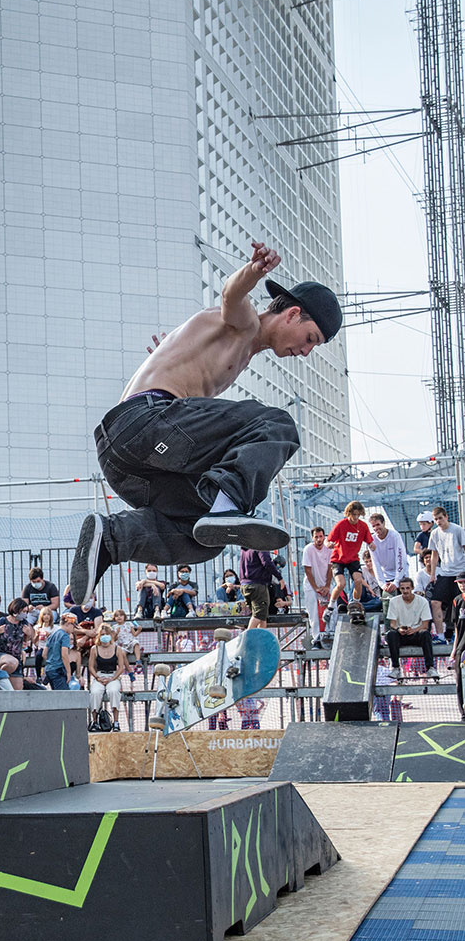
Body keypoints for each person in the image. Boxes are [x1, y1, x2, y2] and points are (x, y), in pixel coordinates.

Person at [69, 241, 342, 604]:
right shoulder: (244, 325)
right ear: (293, 314)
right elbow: (232, 295)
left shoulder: (231, 347)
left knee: (203, 536)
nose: (305, 352)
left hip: (130, 463)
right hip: (144, 424)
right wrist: (254, 270)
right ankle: (229, 505)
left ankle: (111, 538)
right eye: (310, 339)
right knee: (277, 425)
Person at [322, 502, 375, 626]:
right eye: (353, 515)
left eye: (358, 515)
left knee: (358, 580)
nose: (355, 518)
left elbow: (369, 540)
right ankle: (330, 607)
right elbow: (327, 540)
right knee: (341, 584)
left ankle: (355, 604)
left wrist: (372, 545)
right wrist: (328, 544)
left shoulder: (363, 526)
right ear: (348, 514)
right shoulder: (341, 524)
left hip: (353, 559)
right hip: (338, 559)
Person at [385, 578, 438, 680]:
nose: (405, 591)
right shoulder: (394, 601)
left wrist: (414, 630)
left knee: (425, 634)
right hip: (401, 634)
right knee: (391, 634)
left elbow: (425, 625)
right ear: (399, 589)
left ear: (412, 588)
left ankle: (430, 668)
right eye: (403, 588)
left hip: (416, 633)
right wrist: (399, 629)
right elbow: (392, 624)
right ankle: (395, 668)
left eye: (407, 588)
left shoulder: (422, 601)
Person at [428, 506, 465, 641]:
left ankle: (458, 634)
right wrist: (432, 574)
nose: (438, 521)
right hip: (445, 573)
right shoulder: (434, 533)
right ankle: (440, 635)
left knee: (459, 604)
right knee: (435, 602)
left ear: (446, 517)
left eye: (440, 518)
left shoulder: (457, 530)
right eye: (436, 519)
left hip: (460, 571)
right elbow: (434, 555)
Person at [368, 513, 408, 618]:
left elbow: (401, 559)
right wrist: (382, 584)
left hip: (401, 576)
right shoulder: (372, 541)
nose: (376, 528)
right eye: (373, 526)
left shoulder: (395, 536)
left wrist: (397, 581)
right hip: (386, 579)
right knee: (387, 606)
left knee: (403, 607)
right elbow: (375, 564)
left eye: (378, 524)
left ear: (383, 523)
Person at [88, 625, 125, 731]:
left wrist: (112, 678)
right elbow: (91, 666)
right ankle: (94, 721)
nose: (104, 636)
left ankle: (116, 722)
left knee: (114, 691)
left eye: (107, 634)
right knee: (95, 692)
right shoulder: (94, 649)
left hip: (113, 676)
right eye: (102, 634)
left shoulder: (117, 649)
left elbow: (121, 667)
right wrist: (97, 677)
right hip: (99, 675)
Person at [301, 527, 332, 647]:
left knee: (331, 608)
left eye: (321, 536)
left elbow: (330, 568)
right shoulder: (308, 549)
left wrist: (327, 586)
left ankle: (330, 634)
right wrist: (316, 588)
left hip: (325, 582)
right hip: (311, 584)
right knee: (313, 611)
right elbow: (307, 570)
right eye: (316, 537)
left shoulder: (328, 549)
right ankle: (316, 638)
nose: (319, 539)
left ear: (324, 537)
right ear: (312, 538)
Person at [238, 547, 284, 628]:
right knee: (258, 615)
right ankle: (247, 636)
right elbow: (266, 562)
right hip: (258, 584)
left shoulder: (245, 547)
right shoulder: (260, 545)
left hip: (245, 584)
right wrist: (279, 577)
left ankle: (260, 636)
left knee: (263, 616)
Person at [0, 599, 35, 689]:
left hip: (16, 656)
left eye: (26, 612)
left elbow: (31, 638)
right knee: (11, 662)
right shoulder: (3, 621)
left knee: (17, 689)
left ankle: (2, 677)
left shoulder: (24, 623)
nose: (25, 614)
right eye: (23, 611)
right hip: (2, 654)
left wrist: (29, 634)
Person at [44, 612, 77, 690]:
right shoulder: (65, 636)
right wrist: (68, 672)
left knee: (56, 694)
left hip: (49, 669)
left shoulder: (52, 634)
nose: (73, 629)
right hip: (58, 670)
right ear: (68, 624)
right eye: (73, 626)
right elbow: (64, 655)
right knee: (64, 695)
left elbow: (44, 654)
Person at [449, 574, 465, 720]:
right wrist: (454, 650)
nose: (462, 585)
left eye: (464, 582)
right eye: (460, 583)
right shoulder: (457, 601)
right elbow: (456, 627)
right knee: (460, 681)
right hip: (461, 646)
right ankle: (463, 713)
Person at [111, 608, 143, 675]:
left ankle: (138, 660)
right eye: (117, 616)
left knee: (136, 643)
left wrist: (139, 630)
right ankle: (129, 670)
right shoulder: (114, 627)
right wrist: (116, 633)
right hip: (121, 645)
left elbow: (134, 634)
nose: (119, 617)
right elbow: (114, 639)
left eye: (121, 615)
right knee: (122, 654)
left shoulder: (129, 624)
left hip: (130, 642)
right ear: (114, 618)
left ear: (124, 617)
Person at [33, 606, 54, 682]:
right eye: (44, 614)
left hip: (50, 648)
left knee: (52, 658)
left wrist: (49, 636)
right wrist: (37, 635)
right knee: (38, 656)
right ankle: (38, 676)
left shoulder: (54, 628)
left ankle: (48, 675)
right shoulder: (37, 627)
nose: (46, 616)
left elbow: (55, 641)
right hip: (41, 647)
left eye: (48, 614)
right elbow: (34, 642)